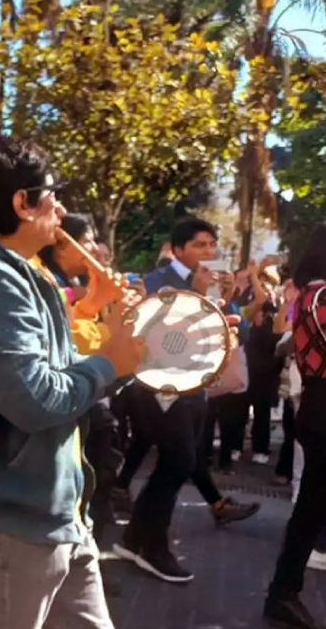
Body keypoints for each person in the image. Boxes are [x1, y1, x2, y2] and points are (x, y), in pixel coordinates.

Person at [0, 136, 143, 629]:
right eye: (51, 193)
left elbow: (58, 370)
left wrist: (118, 340)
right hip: (14, 519)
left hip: (55, 510)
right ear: (22, 202)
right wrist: (111, 363)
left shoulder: (19, 273)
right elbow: (35, 400)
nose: (60, 207)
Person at [115, 218, 259, 585]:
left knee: (180, 461)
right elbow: (154, 334)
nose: (208, 253)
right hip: (161, 387)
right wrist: (195, 297)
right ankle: (153, 546)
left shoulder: (214, 284)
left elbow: (236, 330)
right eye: (199, 245)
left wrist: (225, 303)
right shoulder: (157, 282)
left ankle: (134, 539)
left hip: (196, 386)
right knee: (179, 461)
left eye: (212, 245)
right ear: (177, 249)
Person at [265, 223, 326, 629]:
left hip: (318, 408)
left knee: (312, 506)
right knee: (312, 507)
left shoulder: (309, 293)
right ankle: (282, 593)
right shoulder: (320, 295)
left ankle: (283, 591)